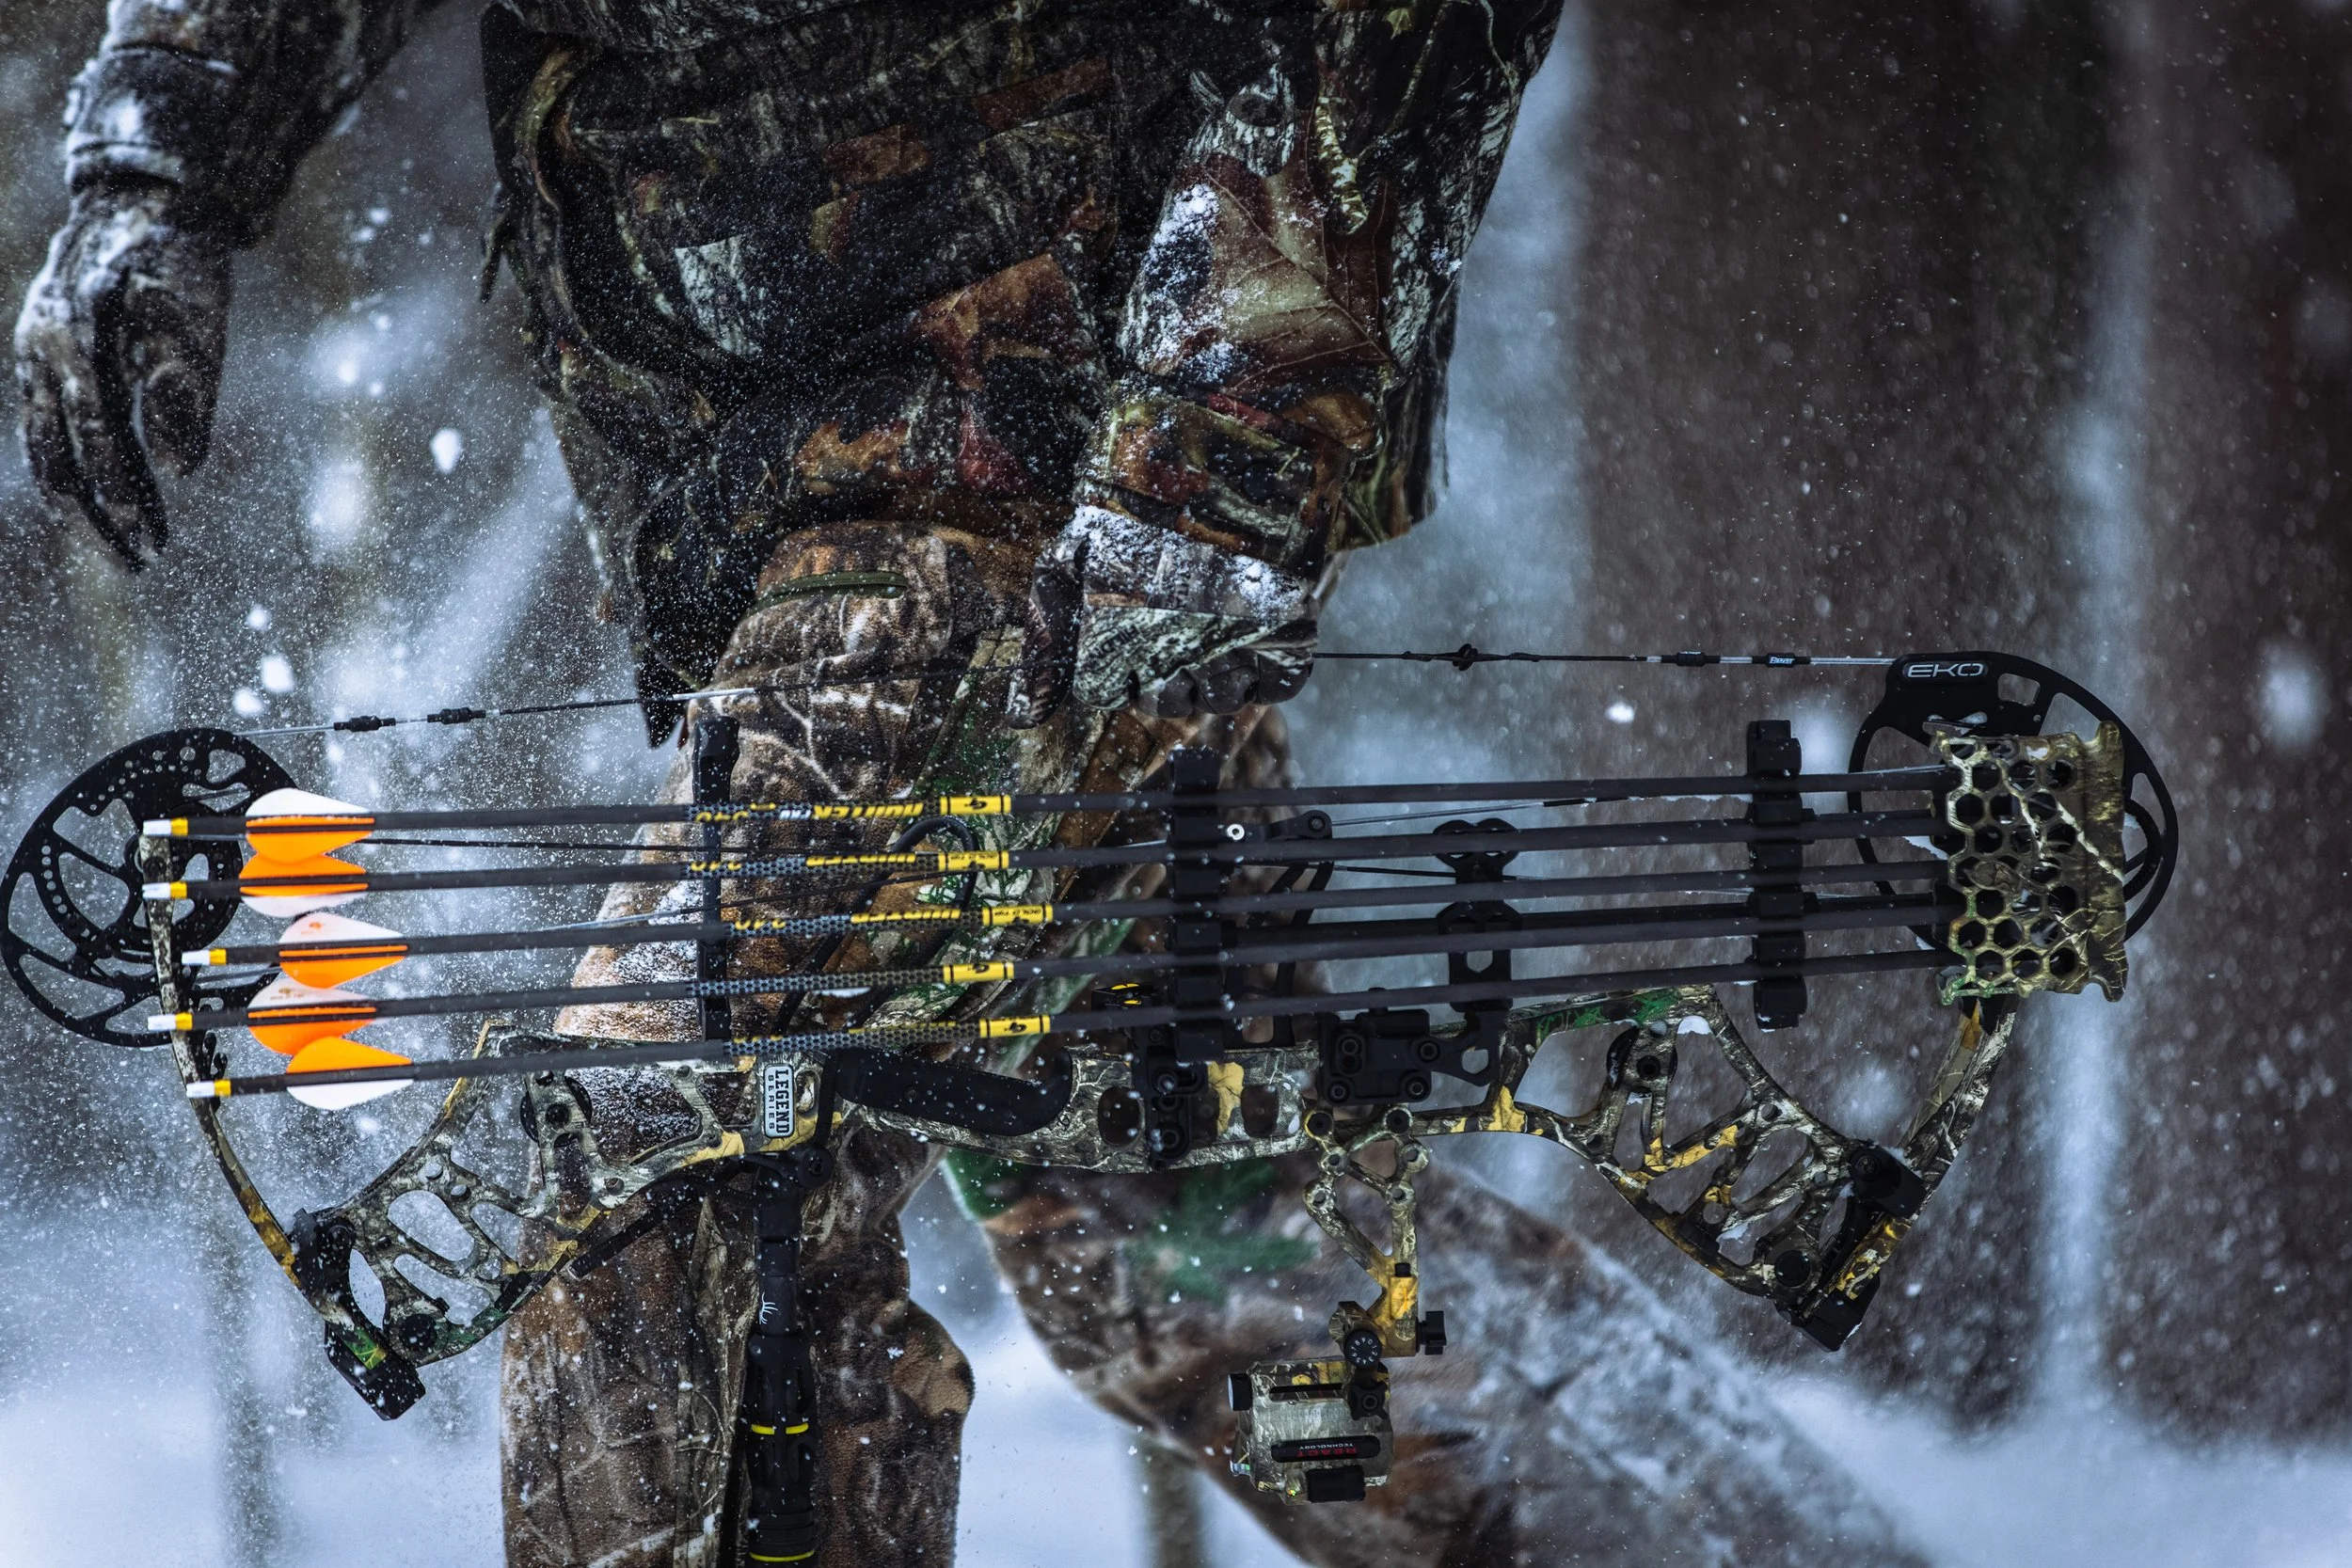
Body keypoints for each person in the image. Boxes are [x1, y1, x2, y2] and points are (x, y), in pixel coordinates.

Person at [15, 3, 1923, 1564]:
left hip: (1039, 461)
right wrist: (162, 148)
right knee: (1186, 1233)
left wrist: (1211, 440)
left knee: (661, 1215)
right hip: (772, 495)